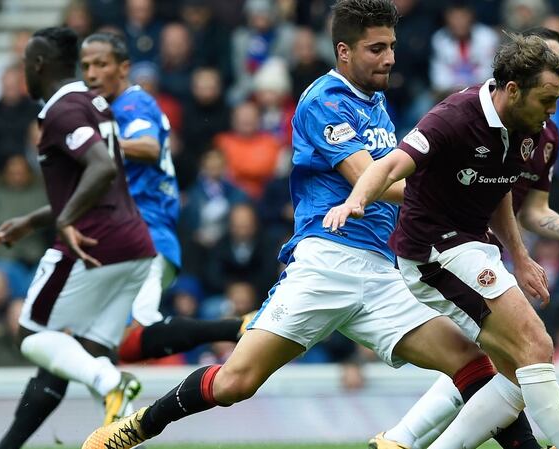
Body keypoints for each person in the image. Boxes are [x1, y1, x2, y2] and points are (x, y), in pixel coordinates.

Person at [81, 2, 500, 448]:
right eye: (377, 48)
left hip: (381, 272)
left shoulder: (376, 101)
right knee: (234, 383)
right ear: (344, 51)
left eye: (392, 46)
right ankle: (133, 428)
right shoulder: (324, 100)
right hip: (326, 262)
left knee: (472, 363)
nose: (390, 58)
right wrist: (455, 195)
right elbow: (366, 178)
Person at [324, 32, 559, 449]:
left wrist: (520, 258)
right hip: (435, 250)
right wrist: (355, 201)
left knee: (516, 373)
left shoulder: (531, 129)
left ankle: (409, 443)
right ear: (512, 89)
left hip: (472, 245)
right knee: (536, 344)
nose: (553, 110)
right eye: (546, 99)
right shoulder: (453, 117)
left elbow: (500, 189)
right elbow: (393, 164)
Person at [0, 27, 156, 449]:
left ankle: (112, 383)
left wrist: (64, 219)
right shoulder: (93, 104)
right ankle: (113, 425)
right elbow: (96, 177)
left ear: (38, 66)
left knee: (30, 335)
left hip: (93, 243)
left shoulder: (63, 111)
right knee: (90, 348)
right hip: (134, 245)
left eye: (26, 64)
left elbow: (100, 169)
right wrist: (32, 220)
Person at [78, 32, 249, 367]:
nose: (92, 74)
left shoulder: (133, 104)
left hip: (146, 234)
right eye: (85, 66)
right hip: (124, 237)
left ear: (124, 67)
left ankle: (234, 327)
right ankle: (115, 396)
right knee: (102, 343)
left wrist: (94, 140)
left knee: (139, 329)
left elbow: (148, 146)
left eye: (101, 64)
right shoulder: (112, 110)